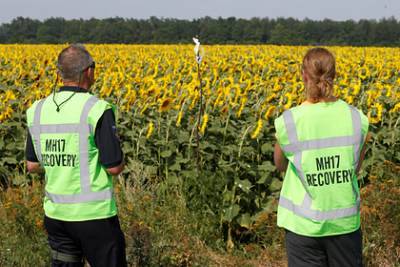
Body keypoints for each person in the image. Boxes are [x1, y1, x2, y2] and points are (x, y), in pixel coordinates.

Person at [25, 44, 127, 267]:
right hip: (94, 216)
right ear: (88, 71)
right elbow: (113, 167)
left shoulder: (37, 110)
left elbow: (32, 165)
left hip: (56, 215)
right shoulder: (97, 109)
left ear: (60, 74)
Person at [273, 47, 369, 267]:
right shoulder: (356, 118)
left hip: (303, 225)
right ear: (333, 76)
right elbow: (355, 167)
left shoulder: (290, 121)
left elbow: (279, 164)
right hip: (344, 225)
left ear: (304, 76)